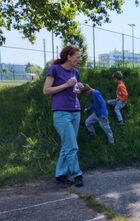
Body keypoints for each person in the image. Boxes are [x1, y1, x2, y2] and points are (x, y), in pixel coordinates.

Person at [43, 45, 84, 187]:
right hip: (61, 112)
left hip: (75, 111)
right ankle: (77, 174)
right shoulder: (54, 69)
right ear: (69, 56)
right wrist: (66, 84)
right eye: (77, 57)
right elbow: (46, 90)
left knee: (67, 145)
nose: (79, 59)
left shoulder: (75, 72)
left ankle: (60, 174)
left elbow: (74, 90)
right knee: (72, 146)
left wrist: (79, 88)